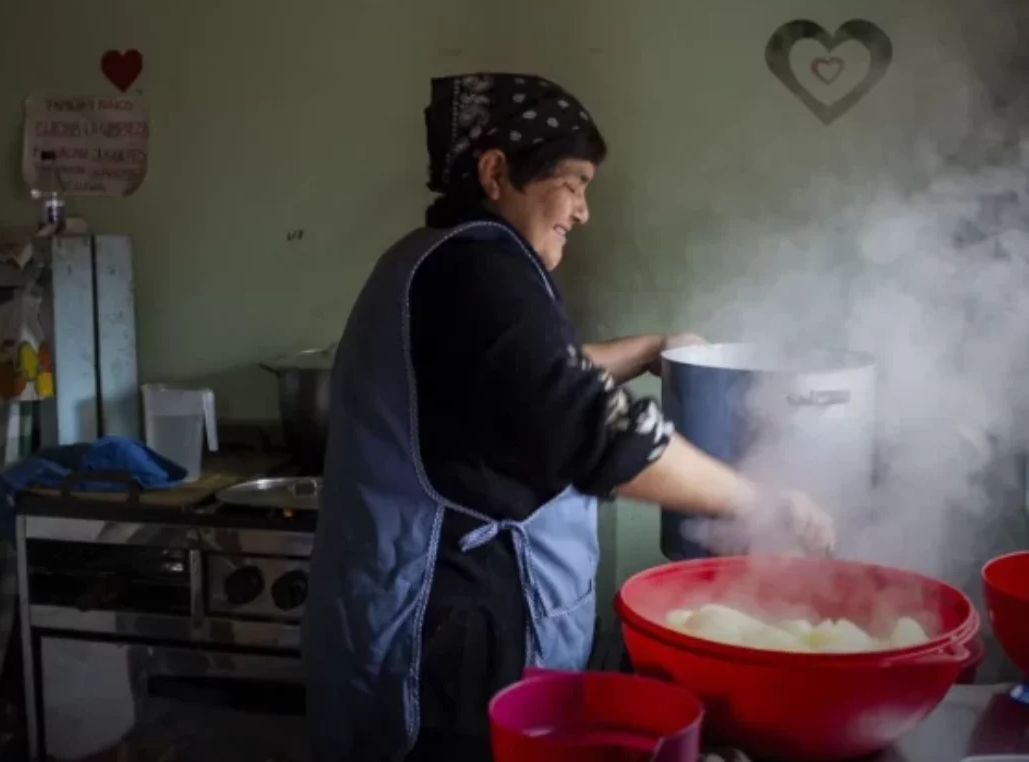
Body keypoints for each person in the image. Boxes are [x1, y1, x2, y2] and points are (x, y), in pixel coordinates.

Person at [302, 72, 835, 762]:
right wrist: (760, 503)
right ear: (496, 171)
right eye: (574, 184)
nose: (583, 211)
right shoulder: (482, 274)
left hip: (411, 614)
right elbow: (595, 431)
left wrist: (644, 350)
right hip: (450, 640)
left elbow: (519, 381)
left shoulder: (432, 258)